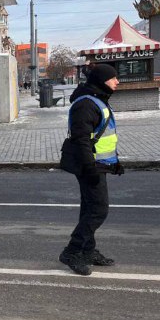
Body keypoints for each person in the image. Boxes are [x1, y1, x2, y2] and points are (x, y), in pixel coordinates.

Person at [59, 64, 123, 276]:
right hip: (90, 166)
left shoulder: (97, 99)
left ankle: (87, 250)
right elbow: (81, 139)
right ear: (102, 81)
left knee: (89, 209)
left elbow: (102, 135)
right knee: (98, 210)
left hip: (99, 164)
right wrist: (90, 168)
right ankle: (72, 251)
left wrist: (114, 162)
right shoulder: (86, 104)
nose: (117, 81)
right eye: (113, 78)